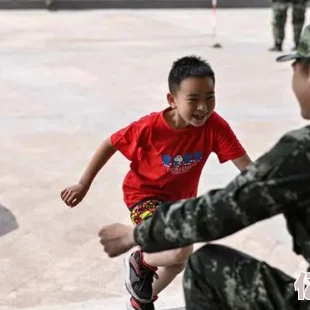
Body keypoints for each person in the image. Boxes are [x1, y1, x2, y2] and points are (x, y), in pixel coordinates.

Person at [98, 18, 310, 309]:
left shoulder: (307, 149)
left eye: (295, 68)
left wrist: (134, 236)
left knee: (205, 265)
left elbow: (219, 211)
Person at [61, 56, 252, 309]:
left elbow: (249, 169)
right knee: (182, 250)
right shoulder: (150, 127)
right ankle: (140, 261)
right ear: (172, 100)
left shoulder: (215, 126)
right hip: (143, 196)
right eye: (193, 99)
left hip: (179, 203)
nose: (203, 107)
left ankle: (142, 298)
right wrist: (82, 184)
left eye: (210, 97)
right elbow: (110, 143)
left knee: (178, 260)